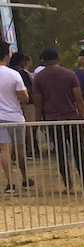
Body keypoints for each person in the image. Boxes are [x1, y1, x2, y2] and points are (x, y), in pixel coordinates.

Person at [32, 47, 84, 193]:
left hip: (53, 120)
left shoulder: (39, 77)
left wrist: (39, 120)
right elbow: (79, 99)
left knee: (61, 153)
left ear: (44, 60)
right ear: (58, 58)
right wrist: (83, 119)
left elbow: (38, 102)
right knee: (79, 151)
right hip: (71, 118)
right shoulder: (69, 74)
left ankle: (68, 185)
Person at [0, 42, 33, 193]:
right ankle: (25, 178)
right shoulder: (14, 74)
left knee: (5, 150)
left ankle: (10, 183)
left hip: (0, 118)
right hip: (15, 115)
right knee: (20, 149)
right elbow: (24, 97)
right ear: (6, 57)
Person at [9, 52, 39, 158]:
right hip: (27, 103)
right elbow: (30, 89)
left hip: (13, 103)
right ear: (21, 61)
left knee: (12, 129)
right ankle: (30, 150)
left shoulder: (9, 72)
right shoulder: (22, 74)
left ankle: (13, 153)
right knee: (29, 127)